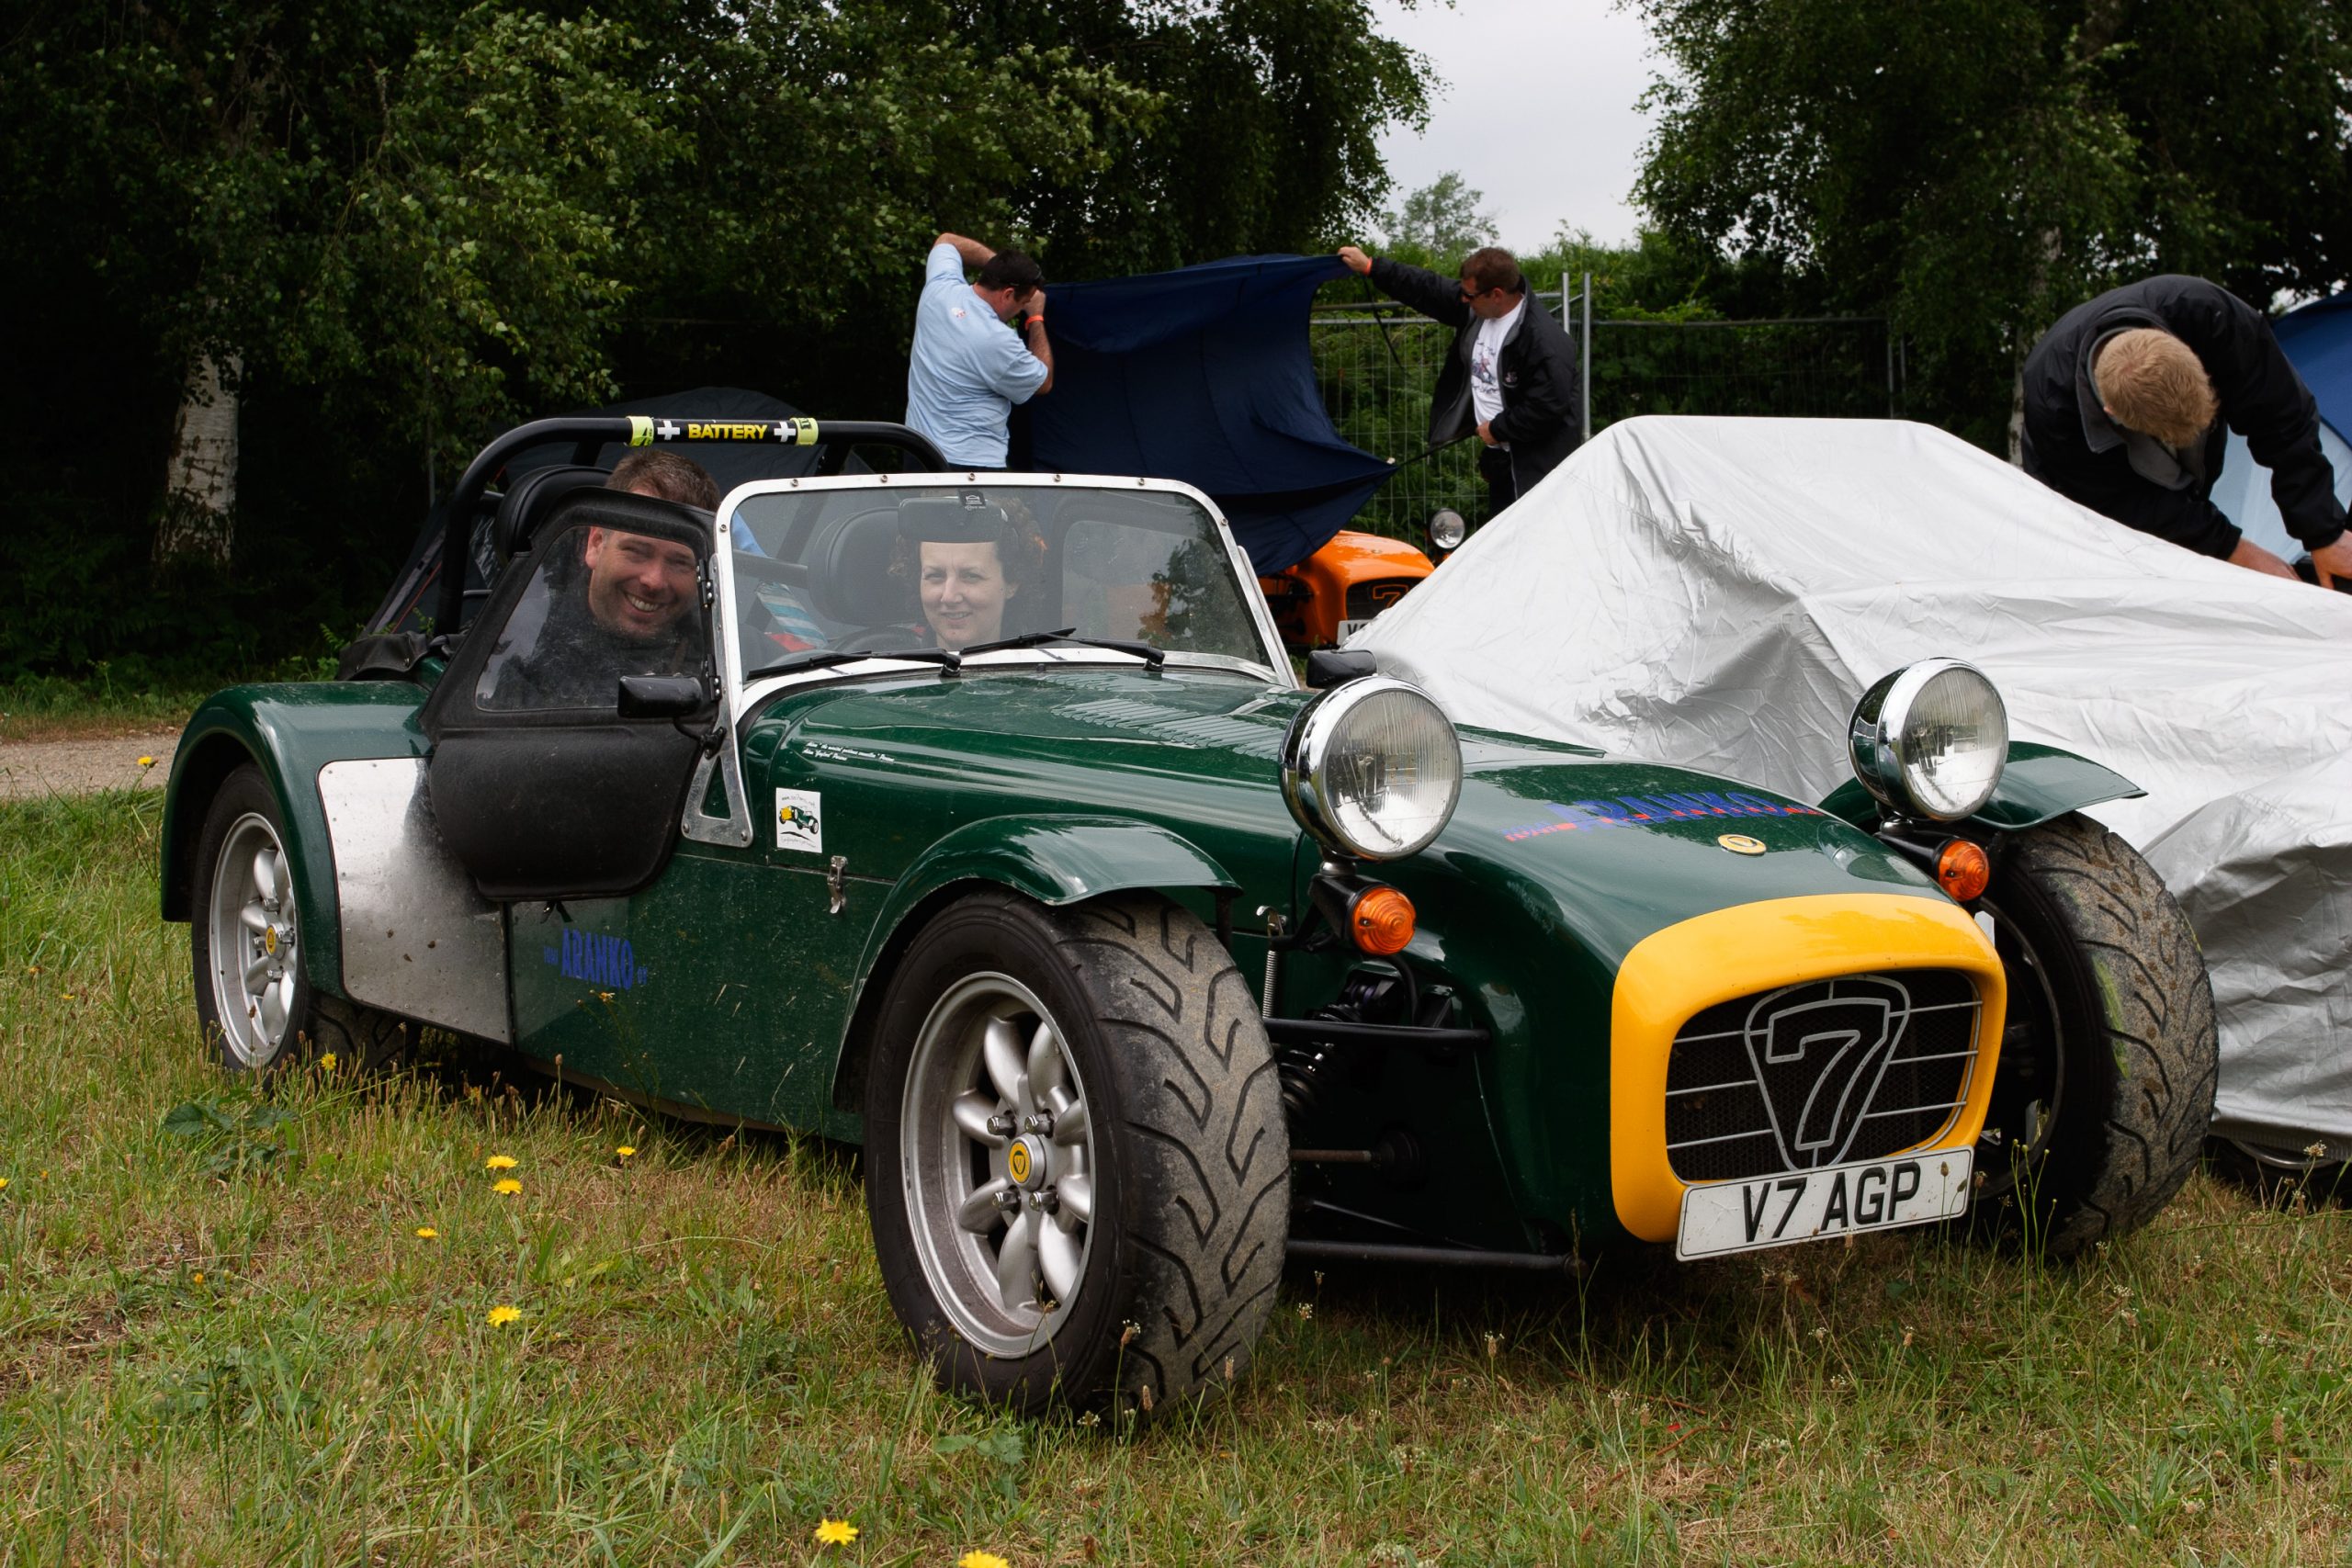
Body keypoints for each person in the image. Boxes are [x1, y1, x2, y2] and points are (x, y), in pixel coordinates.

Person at [2020, 275, 2352, 585]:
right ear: (2114, 415)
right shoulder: (2054, 408)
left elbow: (2282, 416)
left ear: (2192, 354)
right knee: (2117, 576)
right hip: (2079, 504)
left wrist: (2324, 531)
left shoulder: (2209, 315)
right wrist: (2236, 550)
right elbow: (2137, 508)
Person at [1336, 243, 1580, 518]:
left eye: (1469, 295)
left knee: (1533, 534)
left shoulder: (1543, 341)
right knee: (1499, 531)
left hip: (1537, 467)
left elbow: (1548, 405)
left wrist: (1498, 429)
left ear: (1496, 294)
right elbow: (1428, 287)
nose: (1463, 299)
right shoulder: (1477, 310)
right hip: (1500, 456)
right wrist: (1371, 267)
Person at [905, 232, 1055, 470]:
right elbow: (1043, 382)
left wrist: (1001, 267)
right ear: (1007, 294)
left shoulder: (940, 289)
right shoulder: (998, 341)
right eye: (1023, 303)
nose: (1021, 309)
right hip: (972, 466)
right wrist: (1035, 317)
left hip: (919, 454)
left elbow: (947, 240)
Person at [891, 497, 1045, 649]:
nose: (949, 597)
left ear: (1012, 581)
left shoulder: (1047, 661)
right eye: (935, 576)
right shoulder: (889, 662)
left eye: (971, 576)